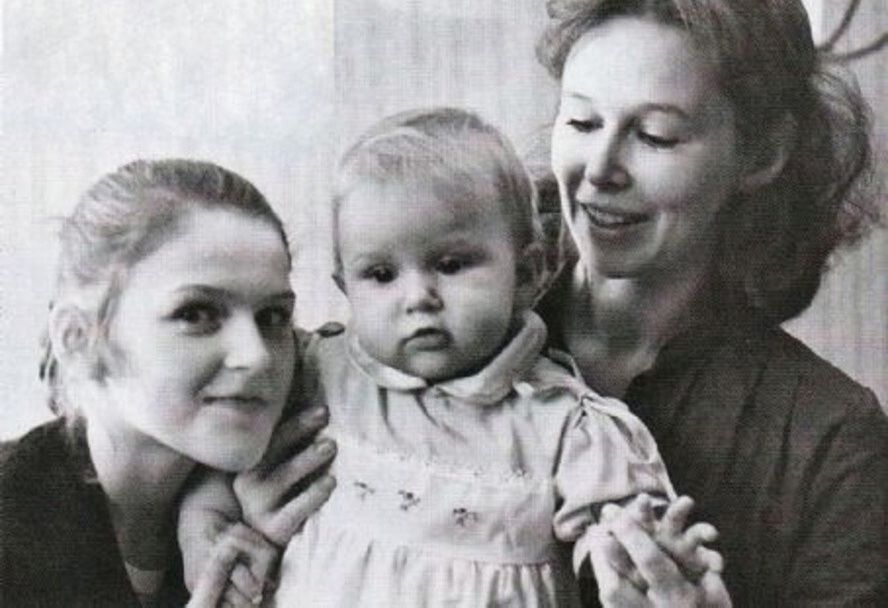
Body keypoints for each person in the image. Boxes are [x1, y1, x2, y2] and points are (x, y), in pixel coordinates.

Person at [179, 108, 722, 607]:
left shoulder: (563, 424)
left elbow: (626, 533)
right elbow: (222, 450)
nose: (418, 297)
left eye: (451, 264)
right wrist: (203, 522)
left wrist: (641, 556)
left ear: (528, 273)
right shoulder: (317, 371)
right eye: (381, 275)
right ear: (346, 288)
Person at [533, 0, 888, 606]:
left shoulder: (830, 437)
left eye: (655, 136)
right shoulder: (447, 336)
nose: (600, 168)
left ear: (762, 155)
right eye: (581, 122)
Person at [0, 159, 335, 607]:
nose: (257, 355)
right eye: (196, 313)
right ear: (77, 338)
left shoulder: (296, 496)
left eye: (273, 316)